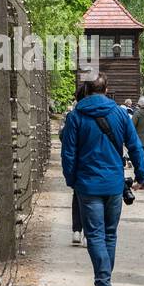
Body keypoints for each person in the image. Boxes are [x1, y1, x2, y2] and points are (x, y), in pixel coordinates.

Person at [60, 73, 144, 286]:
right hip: (113, 182)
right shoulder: (120, 113)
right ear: (106, 88)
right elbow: (135, 146)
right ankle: (105, 282)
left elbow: (68, 153)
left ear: (86, 89)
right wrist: (142, 175)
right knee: (110, 234)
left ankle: (103, 284)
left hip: (87, 183)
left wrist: (72, 180)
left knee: (95, 234)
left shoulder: (76, 116)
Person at [67, 85, 89, 247]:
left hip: (80, 164)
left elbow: (64, 138)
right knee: (95, 201)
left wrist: (69, 174)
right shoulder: (108, 111)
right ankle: (89, 234)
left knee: (78, 198)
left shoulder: (74, 114)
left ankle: (76, 231)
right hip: (101, 163)